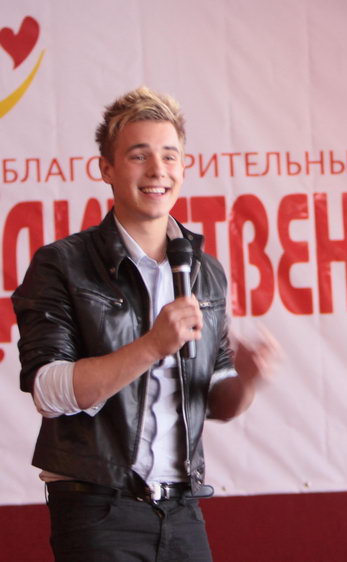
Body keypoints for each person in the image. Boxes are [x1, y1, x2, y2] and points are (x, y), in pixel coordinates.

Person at [12, 86, 279, 561]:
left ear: (183, 167)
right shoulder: (63, 264)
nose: (158, 170)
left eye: (169, 156)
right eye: (139, 156)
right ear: (107, 169)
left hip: (182, 508)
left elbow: (216, 399)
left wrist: (248, 381)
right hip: (97, 508)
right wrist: (152, 346)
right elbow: (47, 392)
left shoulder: (203, 271)